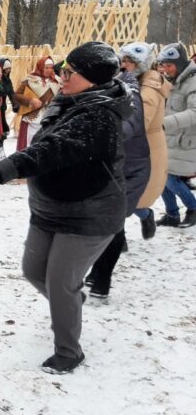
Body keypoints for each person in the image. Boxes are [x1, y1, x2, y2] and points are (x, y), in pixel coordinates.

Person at [0, 42, 129, 374]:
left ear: (91, 79)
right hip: (49, 209)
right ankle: (70, 303)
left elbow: (49, 152)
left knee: (60, 282)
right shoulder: (68, 103)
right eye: (62, 70)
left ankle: (69, 351)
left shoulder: (98, 116)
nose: (62, 77)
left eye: (69, 72)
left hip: (88, 214)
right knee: (33, 271)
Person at [85, 58, 150, 299]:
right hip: (114, 165)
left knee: (111, 224)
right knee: (107, 223)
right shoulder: (107, 91)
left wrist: (93, 135)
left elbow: (128, 127)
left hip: (130, 167)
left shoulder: (128, 92)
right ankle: (97, 274)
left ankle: (101, 279)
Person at [117, 43, 171, 239]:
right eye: (123, 60)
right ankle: (125, 230)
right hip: (129, 146)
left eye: (130, 61)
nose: (125, 64)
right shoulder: (129, 82)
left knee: (128, 194)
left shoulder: (148, 89)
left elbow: (138, 121)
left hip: (143, 148)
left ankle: (122, 234)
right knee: (122, 193)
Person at [156, 42, 196, 228]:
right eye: (164, 65)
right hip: (169, 138)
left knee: (170, 178)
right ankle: (172, 215)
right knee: (161, 176)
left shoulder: (193, 81)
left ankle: (193, 208)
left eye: (169, 65)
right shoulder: (174, 80)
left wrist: (165, 123)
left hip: (185, 140)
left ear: (179, 64)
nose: (166, 69)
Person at [15, 57, 60, 151]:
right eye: (46, 68)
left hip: (49, 119)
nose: (49, 70)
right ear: (40, 67)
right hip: (32, 119)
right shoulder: (30, 80)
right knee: (29, 146)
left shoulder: (57, 81)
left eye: (51, 67)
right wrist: (30, 101)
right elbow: (17, 95)